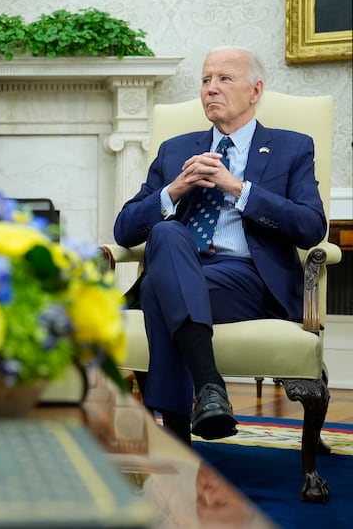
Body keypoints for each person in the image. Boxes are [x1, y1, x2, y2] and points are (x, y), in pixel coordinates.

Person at [113, 47, 326, 444]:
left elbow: (311, 226)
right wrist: (174, 190)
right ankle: (210, 389)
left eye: (224, 79)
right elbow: (124, 229)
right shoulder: (176, 150)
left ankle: (175, 436)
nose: (211, 88)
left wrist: (237, 188)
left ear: (255, 90)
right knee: (166, 234)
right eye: (206, 80)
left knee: (160, 293)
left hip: (246, 279)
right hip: (181, 266)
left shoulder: (292, 147)